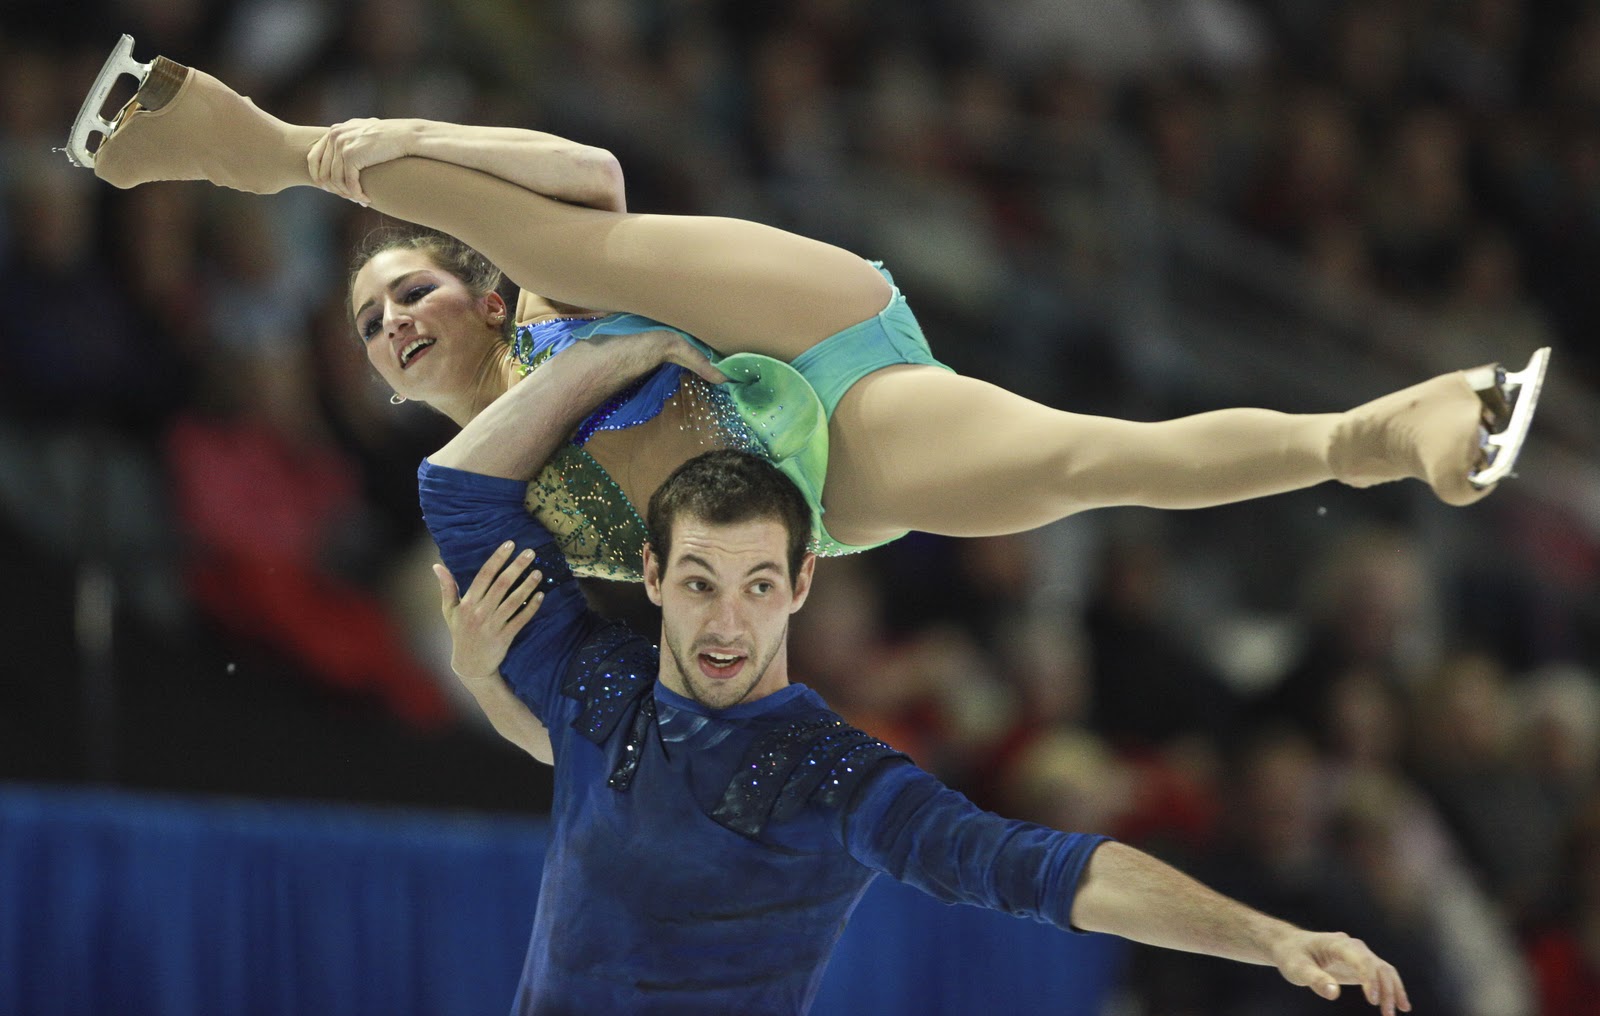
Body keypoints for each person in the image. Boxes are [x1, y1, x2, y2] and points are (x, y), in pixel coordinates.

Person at [66, 36, 1548, 584]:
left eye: (405, 286)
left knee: (580, 253)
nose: (392, 321)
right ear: (379, 384)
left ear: (465, 287)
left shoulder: (535, 286)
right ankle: (1391, 432)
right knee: (1103, 464)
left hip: (781, 326)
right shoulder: (473, 487)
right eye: (374, 326)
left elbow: (588, 173)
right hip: (829, 467)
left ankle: (266, 152)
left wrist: (385, 152)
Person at [416, 381, 1412, 1011]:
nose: (728, 624)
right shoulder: (597, 684)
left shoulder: (827, 772)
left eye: (759, 585)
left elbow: (1044, 866)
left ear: (802, 583)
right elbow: (456, 484)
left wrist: (1268, 935)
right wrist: (626, 341)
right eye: (700, 582)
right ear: (649, 571)